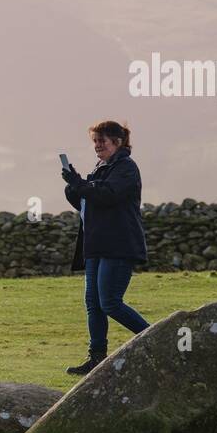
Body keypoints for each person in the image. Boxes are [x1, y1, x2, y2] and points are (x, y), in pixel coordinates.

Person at [61, 120, 150, 375]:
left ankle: (155, 337)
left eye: (102, 141)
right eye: (95, 141)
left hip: (118, 245)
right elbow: (87, 199)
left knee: (110, 302)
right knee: (94, 304)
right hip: (96, 246)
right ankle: (96, 359)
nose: (97, 146)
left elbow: (107, 195)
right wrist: (73, 185)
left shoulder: (126, 168)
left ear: (118, 142)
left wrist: (80, 183)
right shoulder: (102, 167)